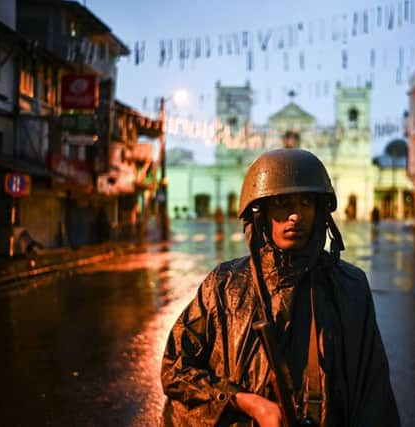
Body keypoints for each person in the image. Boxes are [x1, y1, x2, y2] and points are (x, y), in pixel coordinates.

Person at [160, 148, 400, 427]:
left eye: (306, 203)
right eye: (282, 203)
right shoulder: (224, 285)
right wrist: (247, 402)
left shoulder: (349, 287)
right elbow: (175, 369)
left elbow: (374, 396)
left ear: (320, 212)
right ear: (261, 213)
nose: (295, 215)